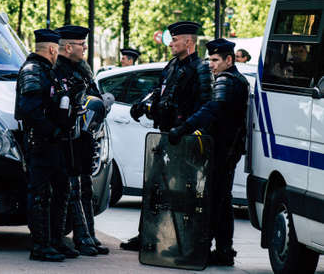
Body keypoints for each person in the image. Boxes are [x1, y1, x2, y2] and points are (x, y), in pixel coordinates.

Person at [121, 21, 213, 251]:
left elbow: (205, 106)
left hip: (186, 140)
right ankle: (146, 237)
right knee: (154, 187)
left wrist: (185, 131)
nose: (170, 43)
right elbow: (159, 91)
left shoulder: (200, 69)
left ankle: (186, 243)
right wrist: (143, 104)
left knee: (184, 193)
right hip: (165, 136)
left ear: (189, 42)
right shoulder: (172, 65)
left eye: (175, 39)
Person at [168, 38, 249, 266]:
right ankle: (223, 250)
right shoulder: (237, 80)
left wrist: (185, 127)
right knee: (222, 201)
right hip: (227, 149)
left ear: (229, 60)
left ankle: (202, 249)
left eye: (215, 60)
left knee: (213, 201)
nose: (211, 65)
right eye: (209, 60)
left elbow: (213, 108)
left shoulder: (226, 80)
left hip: (222, 150)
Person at [14, 29, 78, 262]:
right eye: (57, 49)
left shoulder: (47, 72)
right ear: (52, 49)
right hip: (41, 143)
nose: (57, 53)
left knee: (62, 190)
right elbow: (29, 111)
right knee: (40, 194)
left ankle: (55, 240)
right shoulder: (33, 71)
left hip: (55, 143)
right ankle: (40, 246)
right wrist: (53, 130)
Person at [54, 25, 109, 256]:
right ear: (68, 46)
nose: (85, 48)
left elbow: (94, 95)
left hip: (85, 135)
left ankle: (89, 234)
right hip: (67, 137)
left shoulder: (84, 69)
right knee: (73, 187)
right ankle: (81, 237)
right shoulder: (58, 70)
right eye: (81, 44)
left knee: (85, 186)